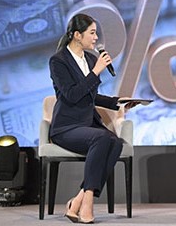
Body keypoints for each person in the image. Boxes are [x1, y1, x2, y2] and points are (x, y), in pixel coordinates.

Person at [49, 13, 127, 224]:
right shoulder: (58, 61)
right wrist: (96, 71)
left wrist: (118, 102)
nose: (96, 38)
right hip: (66, 127)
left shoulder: (91, 59)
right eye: (92, 33)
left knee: (116, 142)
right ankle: (88, 202)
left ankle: (78, 200)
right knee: (102, 138)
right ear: (77, 35)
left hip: (87, 124)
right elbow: (72, 95)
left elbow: (91, 96)